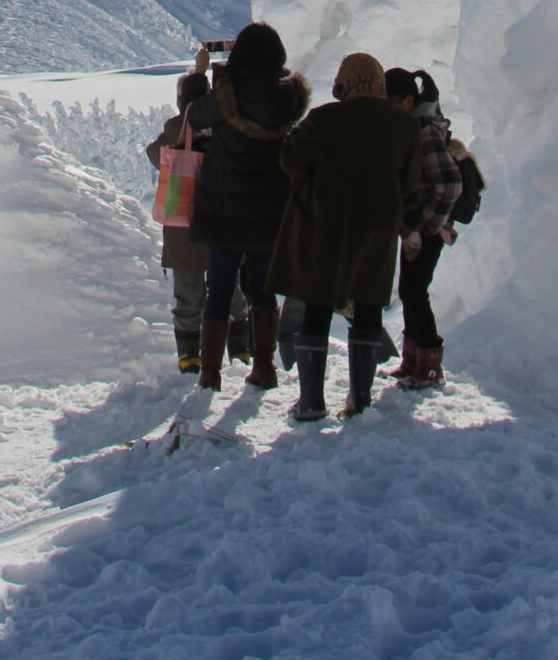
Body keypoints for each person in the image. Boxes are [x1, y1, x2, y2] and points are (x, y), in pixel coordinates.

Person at [270, 52, 421, 421]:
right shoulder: (403, 126)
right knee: (368, 305)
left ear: (344, 84)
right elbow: (411, 181)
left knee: (317, 306)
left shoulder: (324, 119)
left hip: (325, 225)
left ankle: (311, 402)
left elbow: (290, 162)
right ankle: (360, 400)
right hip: (379, 227)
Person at [185, 22, 309, 392]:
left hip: (225, 209)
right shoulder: (289, 97)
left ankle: (210, 373)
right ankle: (265, 367)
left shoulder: (227, 92)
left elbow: (194, 117)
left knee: (219, 290)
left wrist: (202, 75)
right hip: (270, 209)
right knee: (263, 290)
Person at [145, 46, 251, 373]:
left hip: (183, 225)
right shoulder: (224, 125)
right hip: (222, 222)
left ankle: (190, 358)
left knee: (188, 297)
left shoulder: (178, 128)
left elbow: (154, 153)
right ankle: (241, 354)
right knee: (232, 292)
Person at [385, 64, 463, 389]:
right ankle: (414, 361)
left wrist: (425, 226)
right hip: (417, 225)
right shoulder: (412, 126)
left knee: (415, 291)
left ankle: (429, 365)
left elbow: (449, 183)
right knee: (409, 289)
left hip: (428, 225)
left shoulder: (423, 130)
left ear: (405, 101)